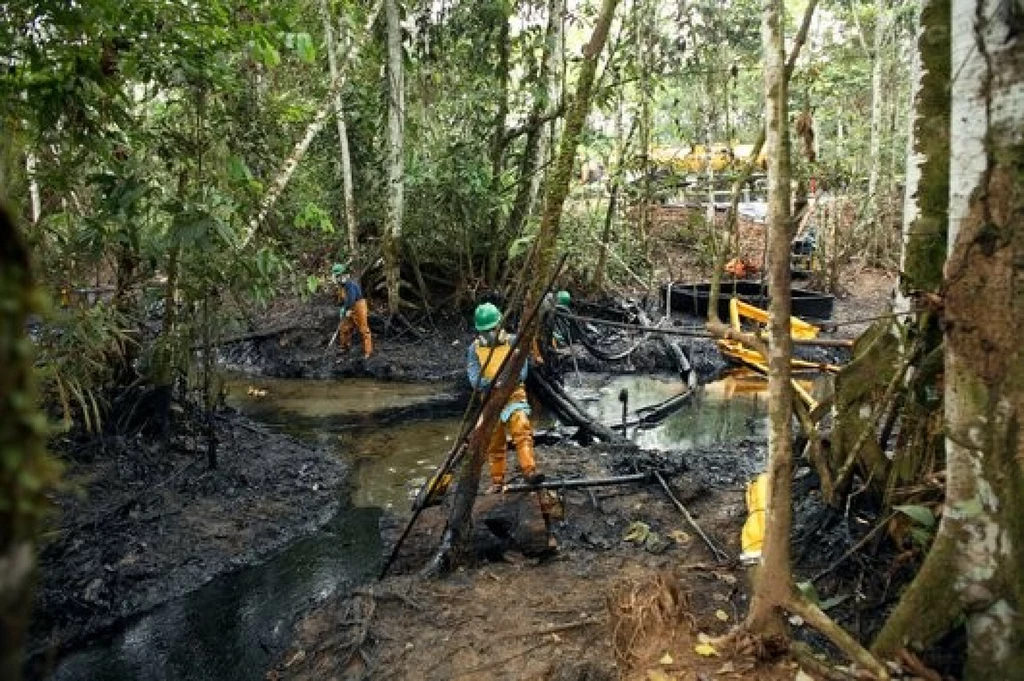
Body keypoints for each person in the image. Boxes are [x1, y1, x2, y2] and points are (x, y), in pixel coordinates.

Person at [467, 302, 544, 492]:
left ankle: (529, 471)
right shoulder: (474, 350)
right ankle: (497, 481)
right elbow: (474, 378)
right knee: (494, 441)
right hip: (489, 400)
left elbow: (522, 372)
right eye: (485, 331)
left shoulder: (514, 342)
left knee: (521, 428)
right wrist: (492, 384)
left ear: (500, 326)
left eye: (492, 329)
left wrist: (506, 382)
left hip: (514, 394)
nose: (489, 334)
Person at [331, 263, 372, 360]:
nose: (336, 278)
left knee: (363, 329)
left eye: (337, 276)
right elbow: (343, 300)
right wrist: (342, 309)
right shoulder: (341, 285)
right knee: (344, 327)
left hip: (358, 306)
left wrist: (348, 310)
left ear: (342, 274)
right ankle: (344, 347)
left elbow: (352, 298)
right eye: (335, 276)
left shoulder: (349, 284)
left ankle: (368, 352)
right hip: (349, 307)